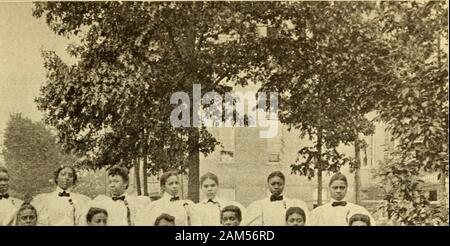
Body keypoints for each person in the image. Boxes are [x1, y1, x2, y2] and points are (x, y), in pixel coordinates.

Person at [245, 171, 310, 226]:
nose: (276, 187)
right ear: (268, 185)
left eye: (279, 184)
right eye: (273, 184)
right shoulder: (259, 205)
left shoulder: (294, 203)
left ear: (284, 185)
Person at [310, 172, 375, 226]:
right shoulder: (318, 212)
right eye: (335, 188)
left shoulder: (359, 210)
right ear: (329, 188)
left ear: (347, 188)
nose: (338, 191)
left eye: (342, 187)